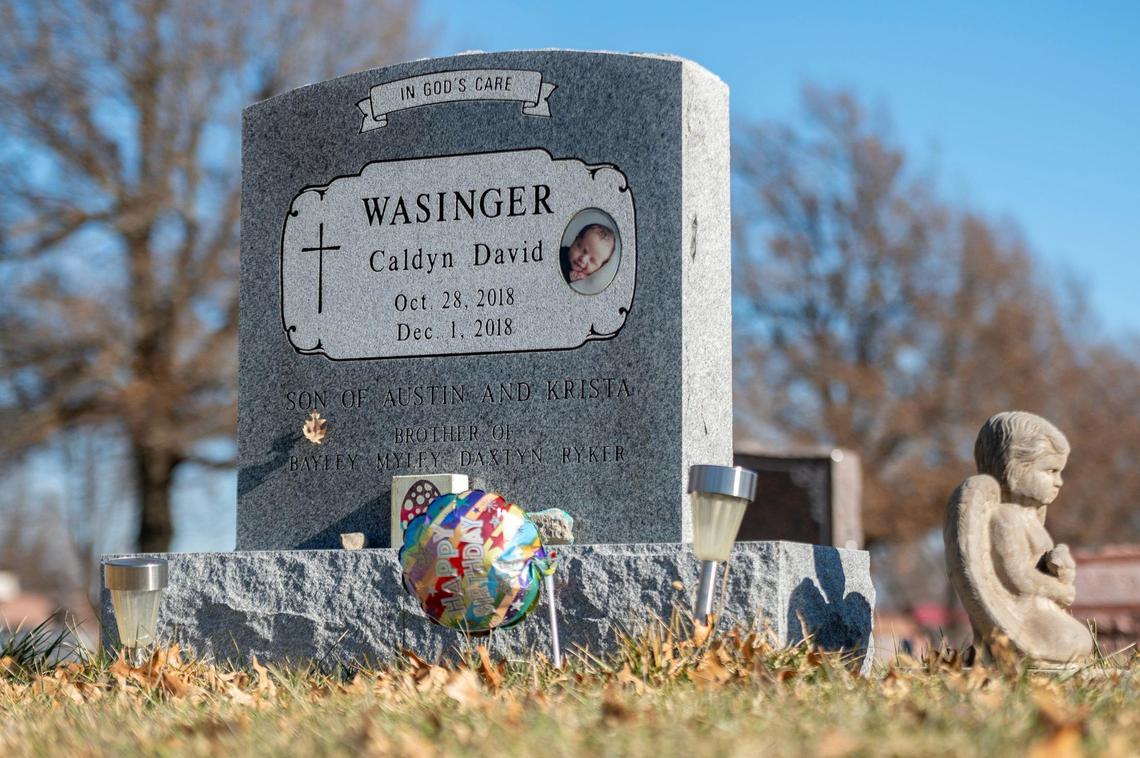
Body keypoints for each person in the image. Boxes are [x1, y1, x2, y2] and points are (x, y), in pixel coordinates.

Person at [944, 411, 1093, 663]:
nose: (1059, 482)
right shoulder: (1005, 518)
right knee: (1075, 641)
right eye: (1050, 471)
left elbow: (1034, 569)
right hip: (1021, 616)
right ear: (1013, 468)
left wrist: (1057, 567)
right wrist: (1057, 590)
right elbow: (1016, 576)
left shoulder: (1030, 516)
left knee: (1081, 641)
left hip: (1038, 608)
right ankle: (1010, 656)